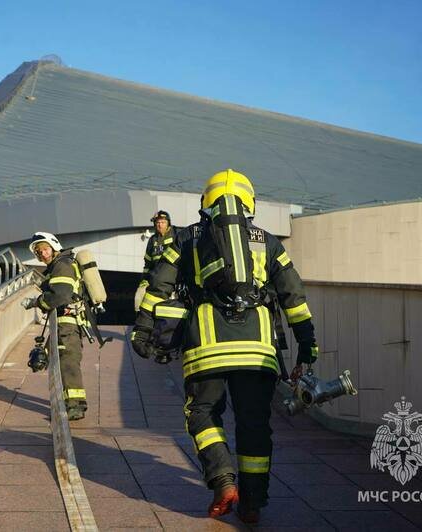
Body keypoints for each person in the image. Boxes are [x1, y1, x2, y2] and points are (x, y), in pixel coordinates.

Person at [130, 169, 319, 524]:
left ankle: (223, 479)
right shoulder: (268, 242)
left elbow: (158, 285)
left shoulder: (186, 238)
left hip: (207, 346)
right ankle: (253, 502)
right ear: (249, 203)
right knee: (254, 424)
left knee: (202, 412)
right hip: (258, 350)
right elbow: (294, 297)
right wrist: (307, 345)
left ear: (207, 202)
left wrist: (142, 328)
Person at [23, 232, 88, 421]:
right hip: (61, 323)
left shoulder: (63, 265)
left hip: (67, 324)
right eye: (38, 252)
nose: (42, 254)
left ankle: (76, 407)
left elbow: (61, 295)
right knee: (58, 361)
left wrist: (38, 302)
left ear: (54, 246)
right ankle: (66, 403)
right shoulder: (57, 266)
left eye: (44, 249)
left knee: (68, 362)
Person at [134, 210, 176, 311]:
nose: (160, 225)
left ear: (168, 223)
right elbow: (148, 263)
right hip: (154, 279)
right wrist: (144, 281)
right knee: (138, 298)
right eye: (157, 222)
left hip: (172, 280)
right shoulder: (152, 240)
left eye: (162, 222)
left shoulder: (176, 236)